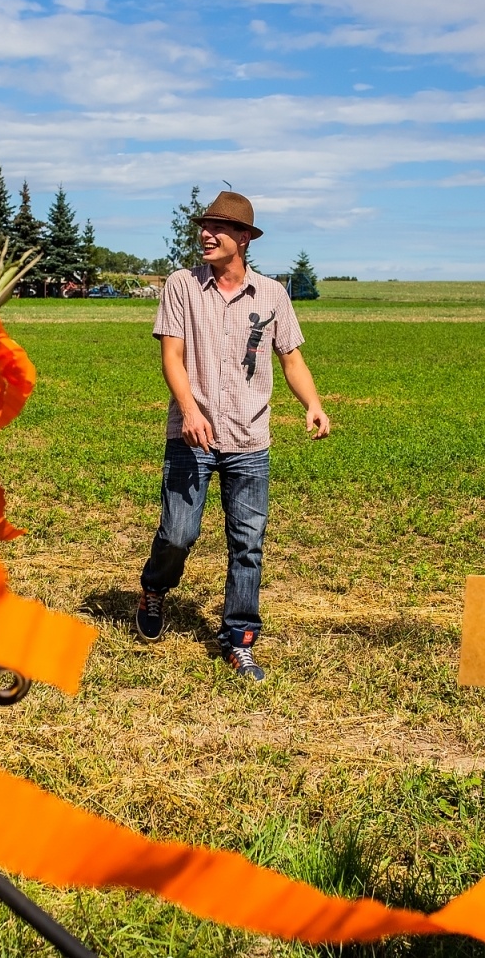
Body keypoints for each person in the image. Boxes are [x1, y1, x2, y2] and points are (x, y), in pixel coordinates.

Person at [134, 192, 330, 681]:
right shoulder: (182, 286)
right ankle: (155, 588)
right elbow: (172, 359)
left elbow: (292, 359)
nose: (206, 233)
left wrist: (313, 404)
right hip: (191, 436)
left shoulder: (272, 295)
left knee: (248, 543)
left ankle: (239, 639)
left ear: (243, 238)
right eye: (203, 225)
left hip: (249, 440)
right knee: (179, 533)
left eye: (218, 227)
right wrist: (189, 411)